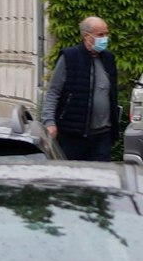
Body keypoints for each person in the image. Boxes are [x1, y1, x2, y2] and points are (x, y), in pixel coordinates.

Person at [42, 16, 119, 162]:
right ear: (86, 36)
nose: (105, 38)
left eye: (106, 34)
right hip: (73, 135)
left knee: (101, 177)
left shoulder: (108, 59)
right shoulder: (70, 57)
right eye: (101, 35)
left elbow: (112, 93)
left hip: (103, 135)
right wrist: (49, 122)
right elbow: (53, 92)